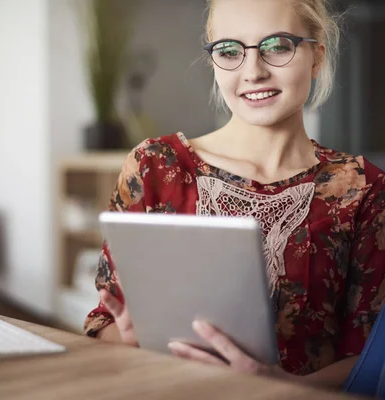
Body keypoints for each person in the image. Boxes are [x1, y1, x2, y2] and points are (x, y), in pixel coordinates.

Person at [83, 0, 385, 391]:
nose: (254, 72)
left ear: (317, 56)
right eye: (230, 51)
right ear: (214, 62)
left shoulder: (364, 189)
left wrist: (281, 387)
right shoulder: (154, 166)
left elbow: (368, 362)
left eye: (277, 46)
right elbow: (102, 323)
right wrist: (126, 339)